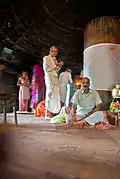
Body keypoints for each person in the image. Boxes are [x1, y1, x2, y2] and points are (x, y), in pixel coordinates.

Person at [43, 46, 64, 119]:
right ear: (50, 51)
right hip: (49, 79)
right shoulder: (46, 58)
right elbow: (46, 68)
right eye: (53, 51)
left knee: (55, 96)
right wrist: (56, 65)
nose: (54, 53)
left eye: (56, 51)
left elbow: (56, 70)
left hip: (55, 79)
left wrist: (59, 66)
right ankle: (47, 112)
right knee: (49, 94)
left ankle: (53, 112)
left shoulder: (55, 60)